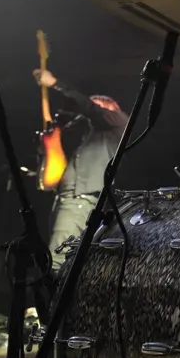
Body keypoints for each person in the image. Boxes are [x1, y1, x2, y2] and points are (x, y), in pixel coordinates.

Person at [32, 68, 128, 272]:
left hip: (79, 202)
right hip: (68, 199)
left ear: (110, 107)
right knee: (63, 258)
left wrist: (56, 84)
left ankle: (51, 293)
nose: (86, 115)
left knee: (56, 261)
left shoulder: (119, 122)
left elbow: (90, 109)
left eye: (96, 105)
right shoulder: (89, 137)